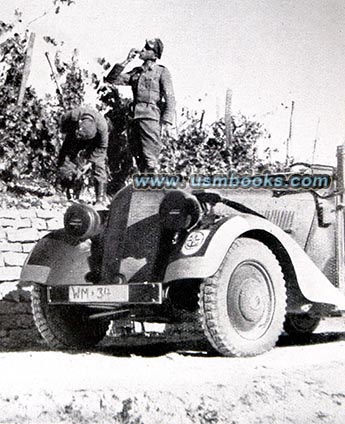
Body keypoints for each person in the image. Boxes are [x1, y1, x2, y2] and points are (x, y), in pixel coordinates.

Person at [105, 38, 175, 173]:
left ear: (155, 55)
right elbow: (111, 79)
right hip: (134, 119)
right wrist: (127, 61)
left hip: (150, 118)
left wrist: (166, 121)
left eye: (147, 48)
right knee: (139, 160)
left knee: (151, 160)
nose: (142, 50)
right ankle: (146, 192)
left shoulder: (161, 72)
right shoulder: (136, 72)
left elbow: (170, 97)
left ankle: (155, 192)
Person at [57, 105, 109, 207]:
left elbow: (102, 148)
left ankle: (100, 199)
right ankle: (59, 192)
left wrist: (89, 163)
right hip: (74, 135)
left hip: (95, 142)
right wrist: (70, 134)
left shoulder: (102, 127)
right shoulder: (72, 115)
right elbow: (62, 126)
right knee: (66, 158)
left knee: (99, 164)